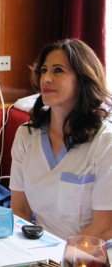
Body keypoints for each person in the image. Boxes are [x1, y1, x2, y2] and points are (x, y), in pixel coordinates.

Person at [9, 38, 112, 241]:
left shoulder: (105, 143)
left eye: (58, 70)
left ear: (83, 80)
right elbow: (19, 210)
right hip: (39, 250)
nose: (46, 78)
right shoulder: (26, 135)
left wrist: (60, 257)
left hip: (90, 254)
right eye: (44, 70)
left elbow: (104, 228)